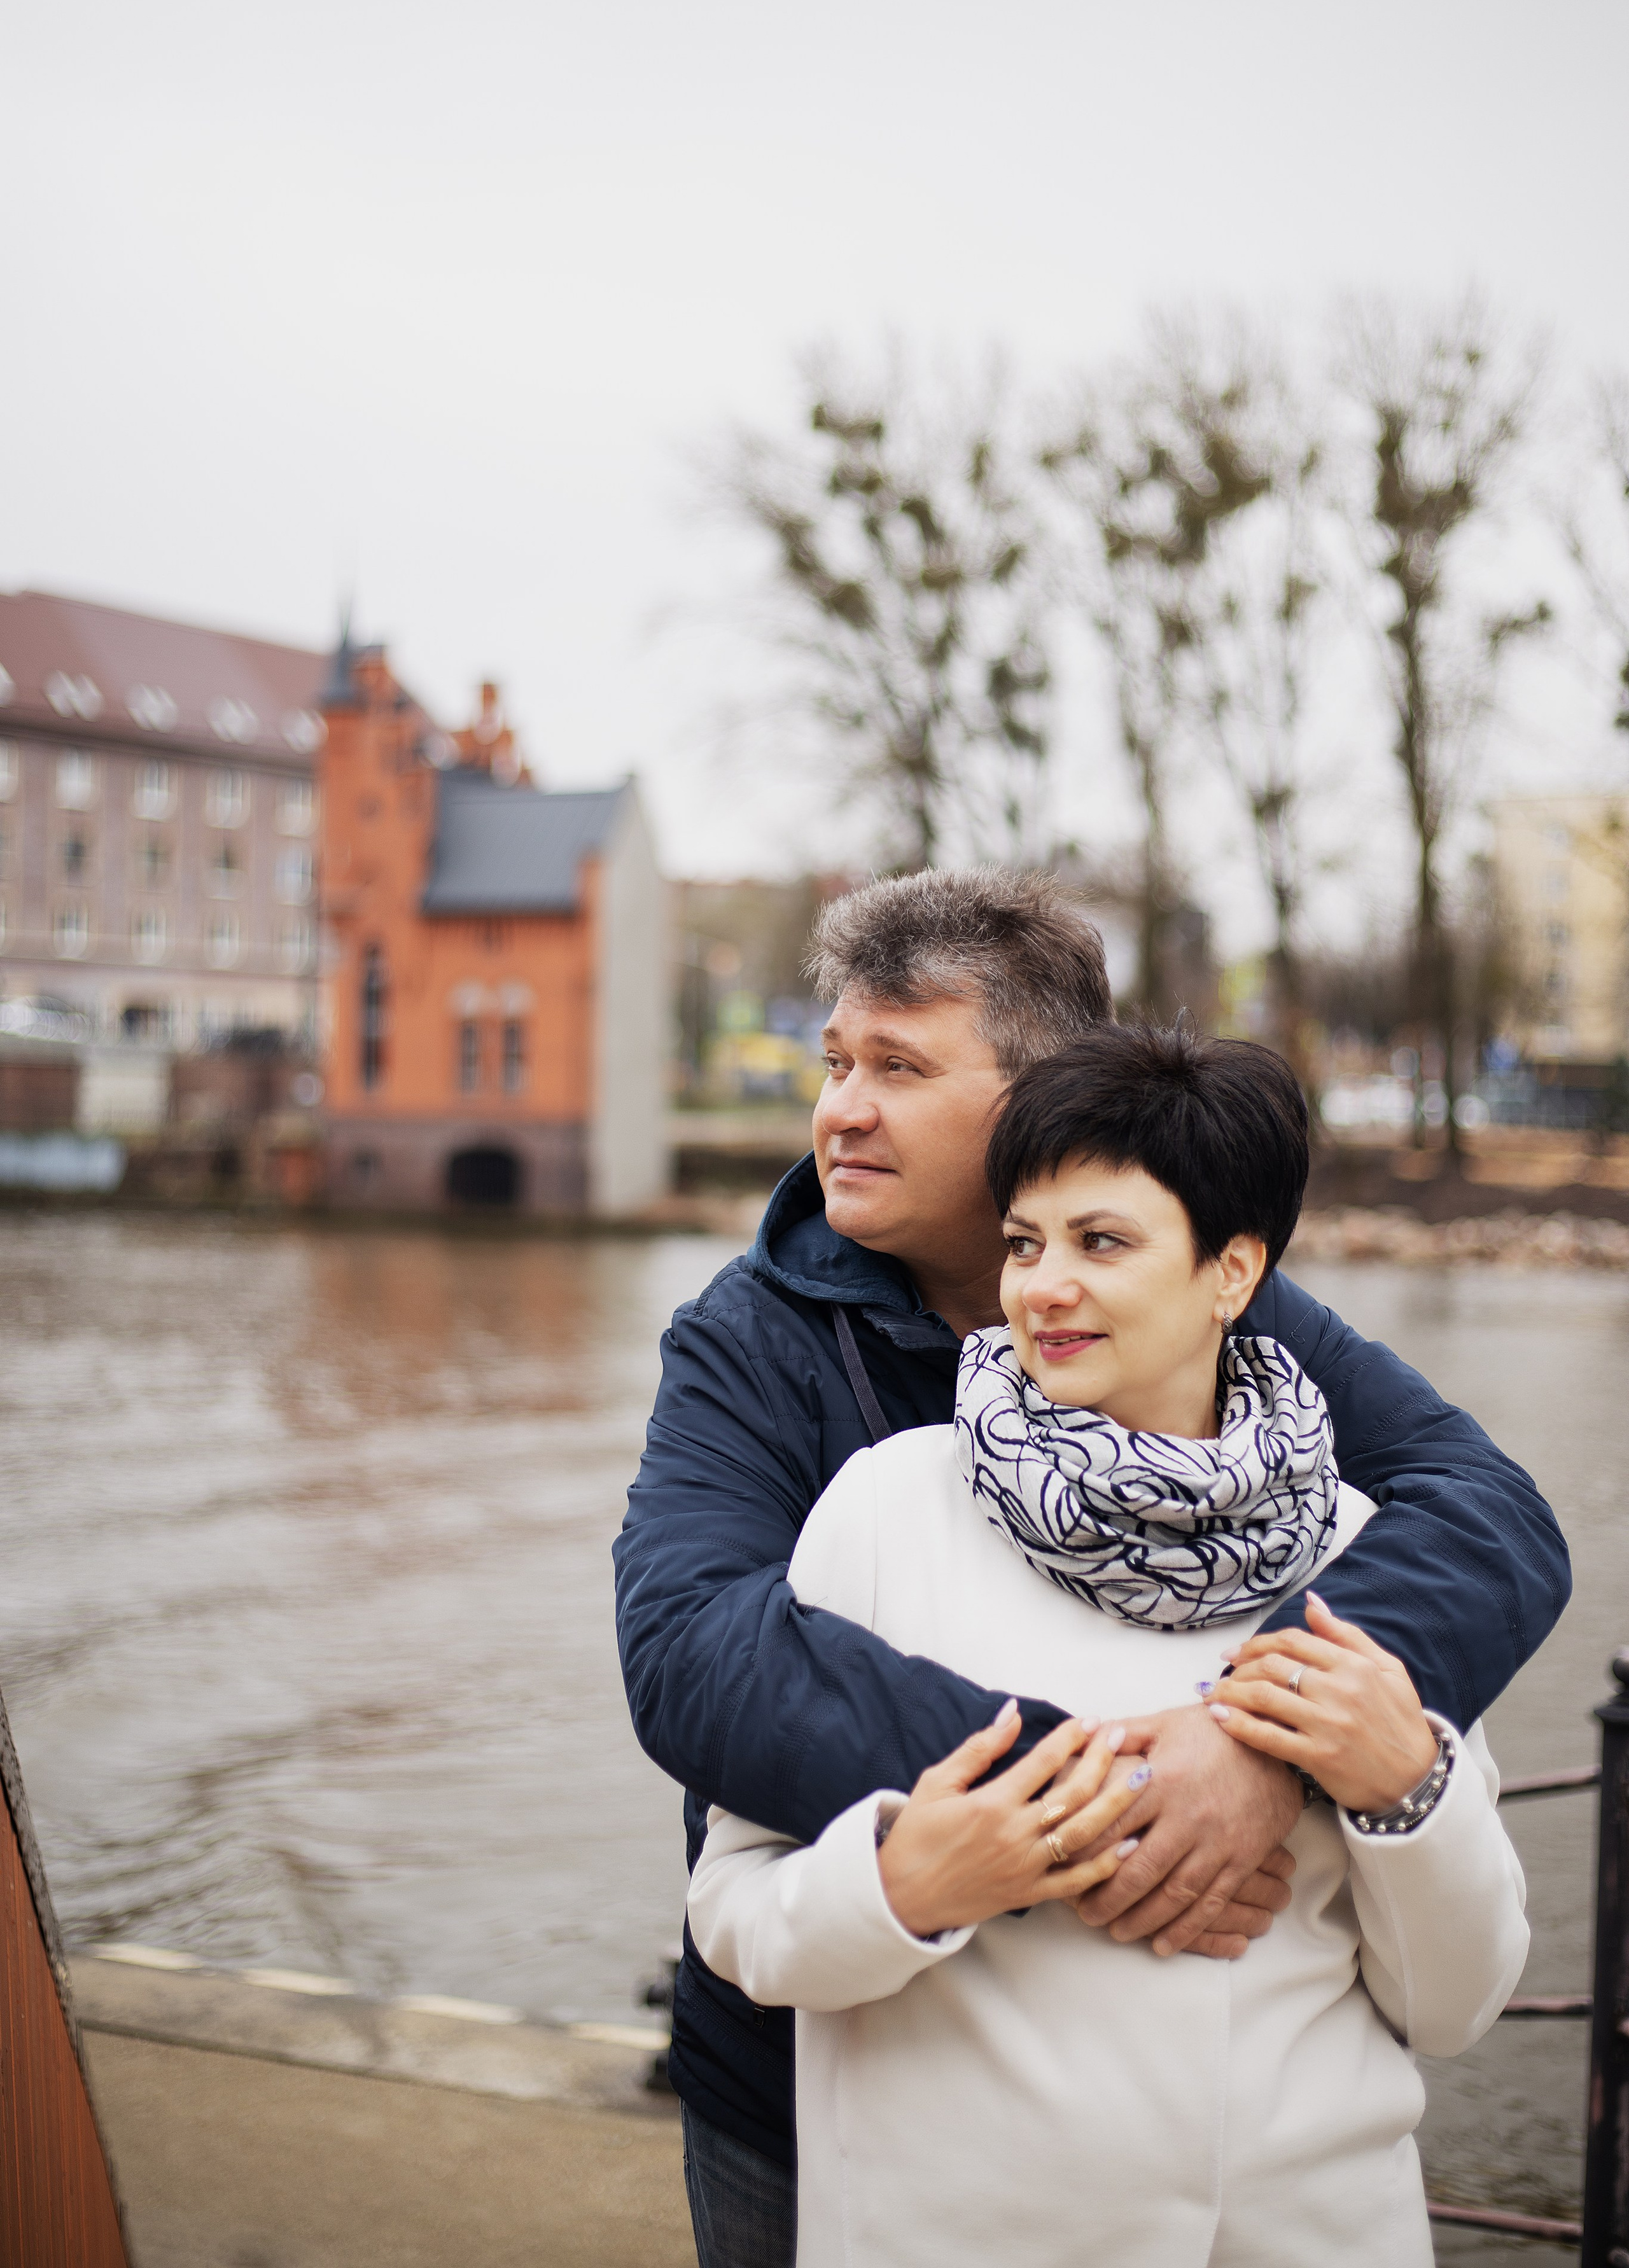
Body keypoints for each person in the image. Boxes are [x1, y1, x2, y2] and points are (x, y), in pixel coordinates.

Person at [613, 869, 1569, 2268]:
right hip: (812, 2078)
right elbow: (697, 1656)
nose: (838, 1110)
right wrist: (1125, 1795)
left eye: (896, 1065)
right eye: (834, 1064)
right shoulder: (749, 1343)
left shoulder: (1220, 1311)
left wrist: (1262, 1745)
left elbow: (1484, 1514)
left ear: (1041, 1095)